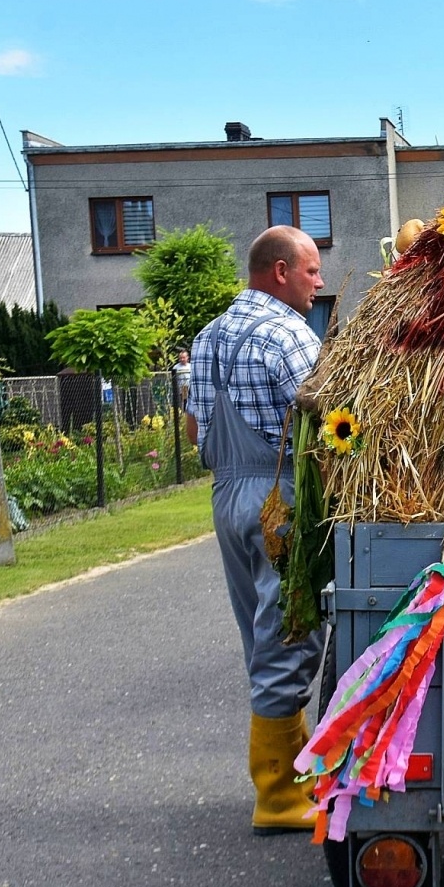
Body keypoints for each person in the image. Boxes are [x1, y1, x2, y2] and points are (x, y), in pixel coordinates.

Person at [186, 225, 325, 835]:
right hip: (281, 497)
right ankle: (278, 797)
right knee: (292, 632)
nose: (319, 284)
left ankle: (292, 773)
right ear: (279, 272)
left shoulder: (208, 336)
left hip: (225, 496)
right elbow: (324, 419)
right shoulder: (289, 334)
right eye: (312, 271)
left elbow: (195, 433)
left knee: (259, 635)